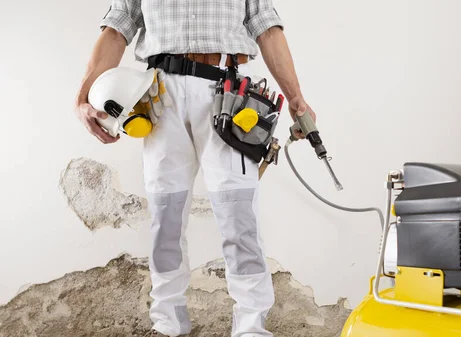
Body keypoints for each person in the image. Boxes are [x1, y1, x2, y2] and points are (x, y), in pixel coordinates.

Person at [74, 1, 317, 336]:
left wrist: (296, 97)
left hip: (226, 93)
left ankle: (250, 325)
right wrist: (83, 98)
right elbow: (117, 29)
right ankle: (168, 319)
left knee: (238, 217)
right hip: (159, 97)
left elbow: (266, 27)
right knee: (165, 218)